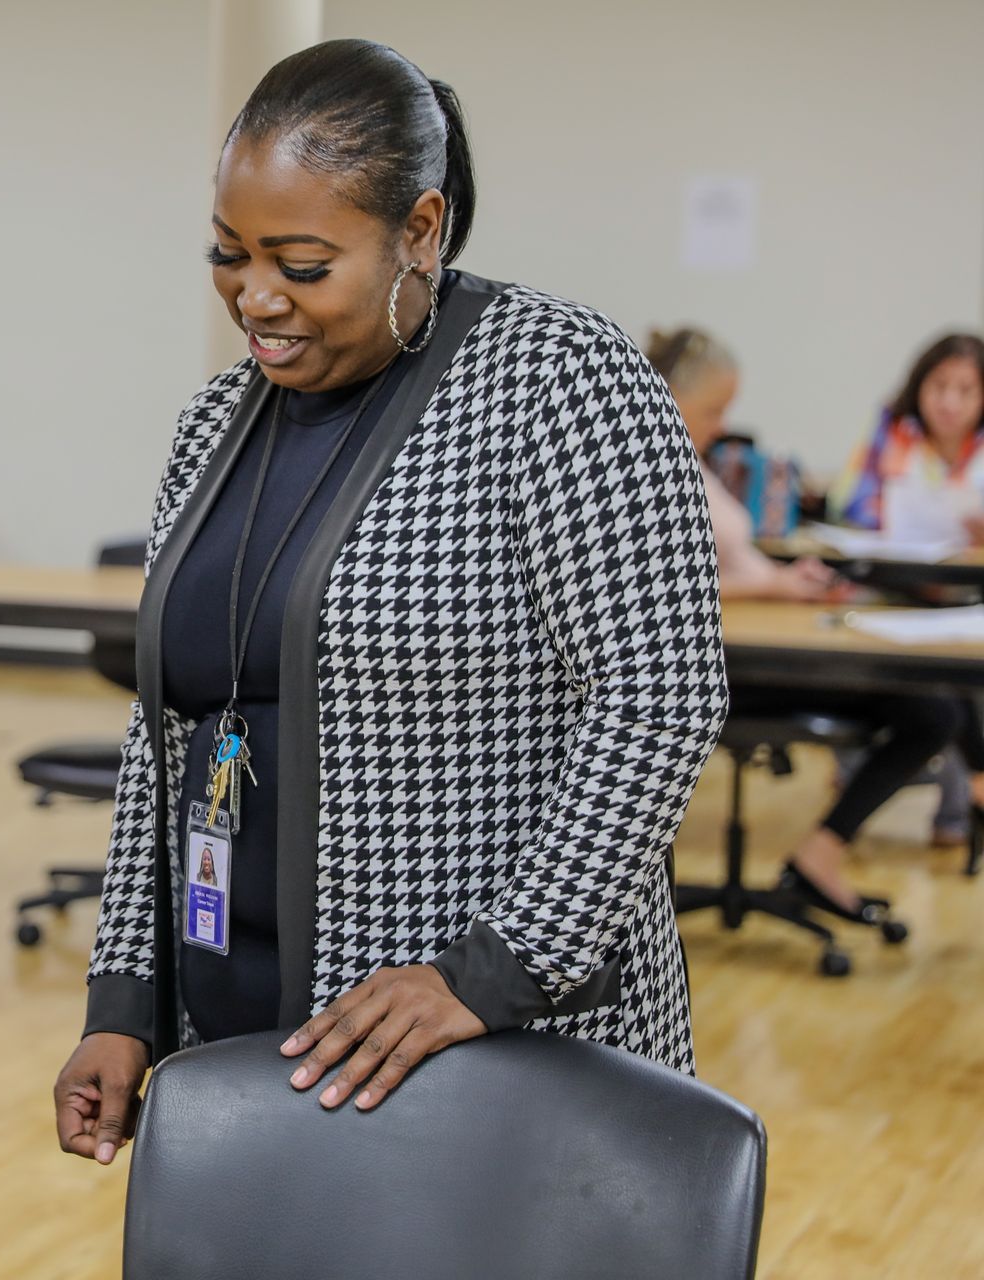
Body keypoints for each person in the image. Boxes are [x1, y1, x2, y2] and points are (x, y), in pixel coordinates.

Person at [54, 38, 728, 1168]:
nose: (255, 296)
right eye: (228, 253)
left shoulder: (557, 379)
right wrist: (125, 992)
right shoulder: (214, 423)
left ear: (421, 230)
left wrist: (494, 966)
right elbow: (165, 735)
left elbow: (659, 700)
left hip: (485, 1048)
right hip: (235, 1028)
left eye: (303, 263)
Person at [648, 327, 965, 918]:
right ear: (667, 396)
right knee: (931, 711)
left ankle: (821, 852)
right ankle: (821, 855)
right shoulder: (646, 473)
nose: (721, 427)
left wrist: (792, 584)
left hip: (759, 642)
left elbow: (733, 557)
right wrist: (772, 584)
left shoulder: (691, 459)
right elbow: (666, 586)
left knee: (935, 709)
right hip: (727, 672)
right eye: (714, 411)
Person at [830, 333, 984, 536]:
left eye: (966, 391)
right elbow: (848, 501)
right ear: (920, 385)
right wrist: (888, 518)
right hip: (899, 563)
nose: (950, 404)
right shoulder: (893, 427)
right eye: (939, 386)